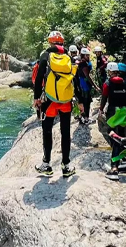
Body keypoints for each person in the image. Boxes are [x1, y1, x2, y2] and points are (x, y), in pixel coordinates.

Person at [33, 31, 76, 177]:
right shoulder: (68, 57)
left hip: (50, 100)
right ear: (62, 42)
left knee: (47, 131)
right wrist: (79, 100)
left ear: (50, 42)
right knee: (65, 132)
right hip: (65, 99)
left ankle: (47, 164)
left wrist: (36, 98)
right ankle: (66, 166)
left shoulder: (46, 55)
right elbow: (73, 78)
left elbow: (39, 78)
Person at [98, 62, 126, 178]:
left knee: (113, 137)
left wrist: (100, 109)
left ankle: (114, 167)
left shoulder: (108, 83)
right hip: (123, 112)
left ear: (109, 71)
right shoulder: (125, 82)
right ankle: (125, 161)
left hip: (113, 112)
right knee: (122, 136)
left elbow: (104, 97)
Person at [74, 47, 100, 124]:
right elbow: (87, 76)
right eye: (86, 55)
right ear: (82, 55)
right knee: (86, 101)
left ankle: (83, 117)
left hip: (82, 83)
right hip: (84, 84)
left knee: (84, 100)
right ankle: (86, 118)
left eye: (88, 55)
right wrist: (95, 86)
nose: (88, 57)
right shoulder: (83, 64)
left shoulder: (81, 62)